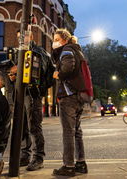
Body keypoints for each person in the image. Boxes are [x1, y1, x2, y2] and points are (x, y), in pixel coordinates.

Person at [14, 30, 54, 171]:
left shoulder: (38, 52)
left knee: (34, 127)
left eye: (23, 37)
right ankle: (25, 156)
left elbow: (39, 71)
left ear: (31, 37)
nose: (21, 40)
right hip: (22, 95)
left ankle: (38, 158)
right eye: (19, 38)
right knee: (23, 127)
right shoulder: (20, 52)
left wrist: (19, 70)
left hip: (33, 94)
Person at [51, 28, 88, 176]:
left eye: (56, 39)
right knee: (77, 132)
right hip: (79, 95)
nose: (54, 43)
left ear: (64, 40)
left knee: (68, 132)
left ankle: (69, 166)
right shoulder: (77, 50)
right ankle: (81, 163)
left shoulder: (66, 51)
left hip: (69, 95)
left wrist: (57, 74)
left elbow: (68, 67)